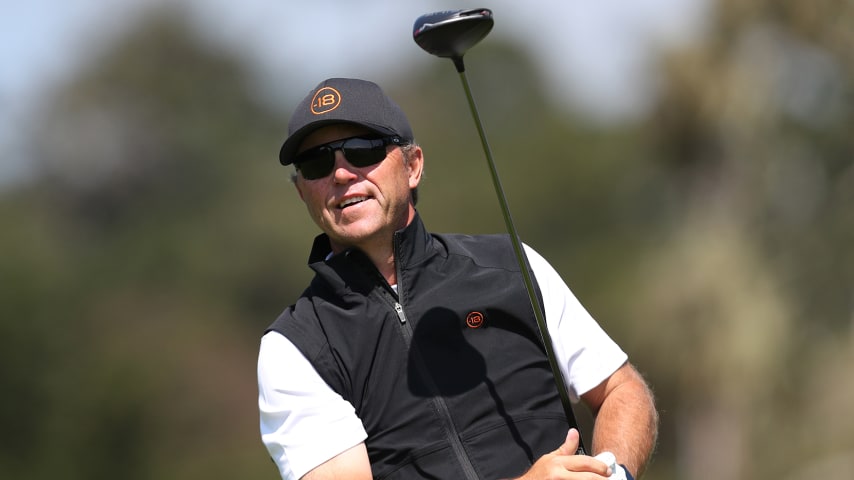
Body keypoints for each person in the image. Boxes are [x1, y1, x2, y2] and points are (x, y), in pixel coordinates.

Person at [257, 77, 658, 480]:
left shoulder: (512, 265)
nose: (342, 174)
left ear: (413, 166)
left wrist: (614, 474)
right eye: (316, 162)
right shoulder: (295, 348)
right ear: (301, 192)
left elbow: (620, 391)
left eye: (363, 151)